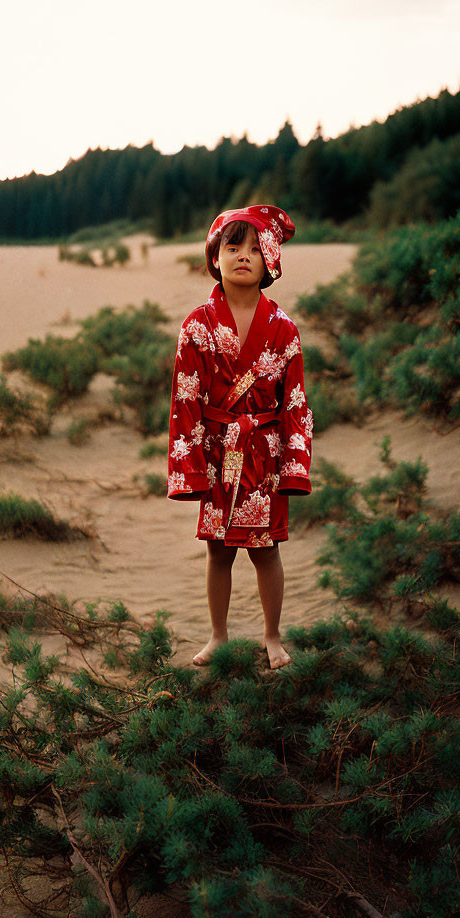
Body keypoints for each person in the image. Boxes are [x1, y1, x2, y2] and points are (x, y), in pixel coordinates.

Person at [167, 204, 313, 669]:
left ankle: (272, 636)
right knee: (219, 550)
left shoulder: (284, 330)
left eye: (255, 248)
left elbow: (295, 405)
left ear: (270, 259)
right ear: (215, 256)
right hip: (216, 454)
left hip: (265, 455)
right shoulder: (196, 326)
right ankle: (218, 636)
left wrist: (294, 464)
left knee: (267, 549)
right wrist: (189, 467)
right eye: (233, 247)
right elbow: (185, 399)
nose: (244, 256)